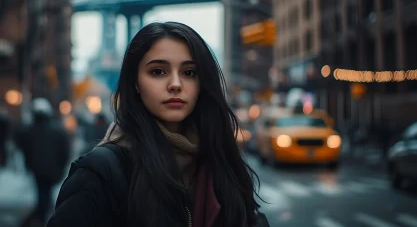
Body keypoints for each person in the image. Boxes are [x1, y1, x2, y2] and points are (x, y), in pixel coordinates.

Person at [47, 22, 267, 227]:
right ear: (136, 84)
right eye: (158, 71)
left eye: (189, 72)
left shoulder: (223, 163)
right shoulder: (100, 175)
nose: (175, 84)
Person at [17, 98, 71, 225]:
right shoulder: (57, 131)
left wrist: (29, 164)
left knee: (42, 192)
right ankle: (44, 216)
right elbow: (65, 151)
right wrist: (61, 167)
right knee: (45, 193)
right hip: (52, 169)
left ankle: (42, 217)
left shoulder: (30, 131)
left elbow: (24, 148)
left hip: (38, 169)